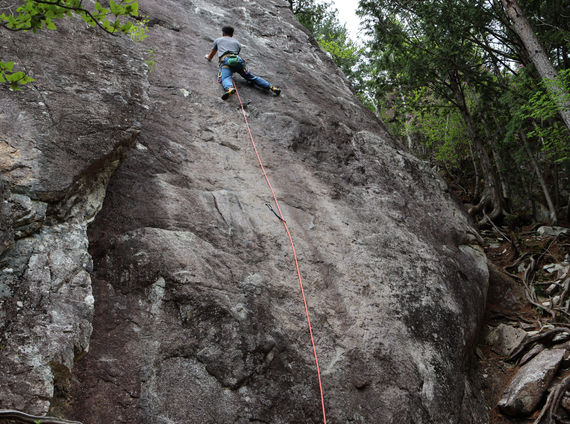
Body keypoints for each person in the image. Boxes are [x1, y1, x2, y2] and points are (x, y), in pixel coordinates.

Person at [205, 26, 281, 100]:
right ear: (232, 34)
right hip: (238, 61)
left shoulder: (218, 40)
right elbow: (236, 53)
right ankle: (271, 87)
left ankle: (230, 88)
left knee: (225, 78)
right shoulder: (237, 43)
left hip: (226, 62)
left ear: (223, 33)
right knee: (252, 77)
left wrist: (208, 57)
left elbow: (212, 54)